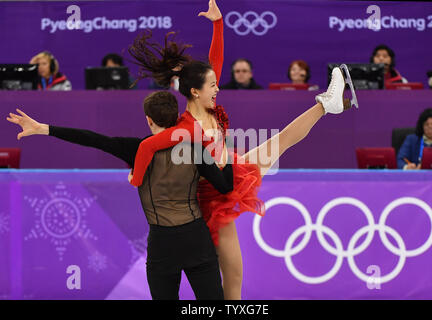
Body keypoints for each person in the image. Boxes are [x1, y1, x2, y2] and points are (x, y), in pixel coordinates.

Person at [127, 0, 356, 300]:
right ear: (196, 91)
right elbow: (147, 146)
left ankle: (327, 104)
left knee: (233, 281)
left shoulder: (207, 105)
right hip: (207, 202)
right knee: (225, 284)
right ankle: (327, 104)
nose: (218, 87)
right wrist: (137, 177)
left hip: (228, 180)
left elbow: (216, 58)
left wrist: (218, 24)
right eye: (212, 84)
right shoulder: (184, 127)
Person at [7, 91, 234, 300]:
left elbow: (92, 139)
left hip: (163, 244)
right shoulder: (196, 149)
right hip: (196, 238)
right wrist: (227, 153)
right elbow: (225, 187)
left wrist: (43, 128)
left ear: (148, 120)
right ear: (176, 117)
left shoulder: (136, 149)